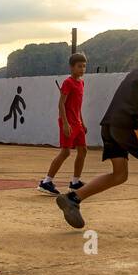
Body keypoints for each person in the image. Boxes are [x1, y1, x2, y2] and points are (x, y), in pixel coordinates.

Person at [55, 41, 138, 231]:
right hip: (126, 126)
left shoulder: (136, 73)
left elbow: (136, 110)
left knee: (119, 174)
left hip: (110, 126)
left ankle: (74, 198)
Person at [38, 53, 88, 195]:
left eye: (84, 66)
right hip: (69, 123)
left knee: (83, 150)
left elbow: (78, 106)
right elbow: (61, 105)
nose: (82, 69)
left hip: (77, 123)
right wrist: (65, 124)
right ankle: (46, 182)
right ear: (72, 67)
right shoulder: (68, 82)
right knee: (65, 152)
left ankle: (75, 182)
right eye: (79, 66)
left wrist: (82, 123)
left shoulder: (81, 83)